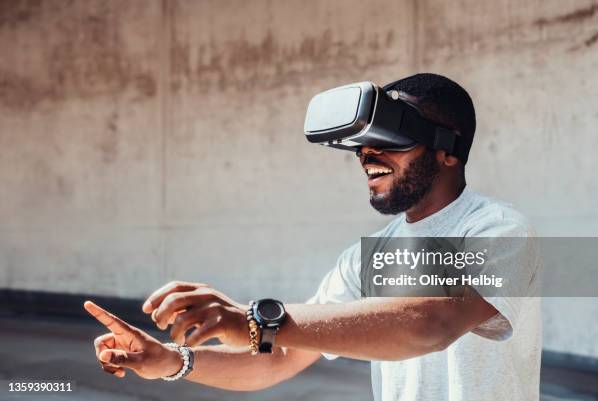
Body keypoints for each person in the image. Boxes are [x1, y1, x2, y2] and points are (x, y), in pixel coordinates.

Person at [85, 73, 541, 401]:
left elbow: (431, 324)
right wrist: (172, 360)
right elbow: (280, 358)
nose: (368, 155)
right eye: (362, 143)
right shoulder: (366, 256)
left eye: (389, 138)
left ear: (448, 150)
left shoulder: (501, 230)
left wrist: (251, 319)